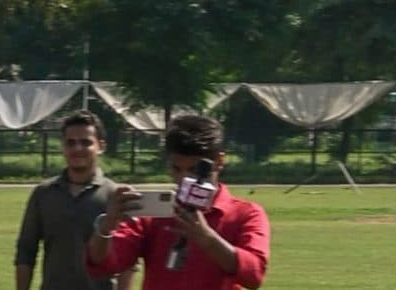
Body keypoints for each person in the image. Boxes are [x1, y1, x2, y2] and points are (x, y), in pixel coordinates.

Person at [86, 114, 268, 290]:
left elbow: (254, 275)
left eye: (195, 170)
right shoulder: (154, 214)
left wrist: (207, 237)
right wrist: (106, 227)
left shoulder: (246, 214)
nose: (184, 179)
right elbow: (103, 264)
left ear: (219, 162)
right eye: (176, 169)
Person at [16, 111, 131, 290]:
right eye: (71, 143)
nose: (77, 148)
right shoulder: (44, 193)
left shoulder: (115, 195)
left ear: (100, 146)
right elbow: (25, 251)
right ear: (63, 146)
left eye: (86, 142)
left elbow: (128, 261)